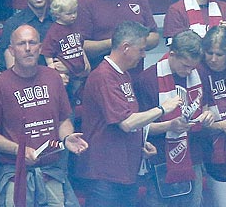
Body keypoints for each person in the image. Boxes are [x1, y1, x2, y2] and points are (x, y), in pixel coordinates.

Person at [0, 23, 88, 207]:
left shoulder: (53, 78)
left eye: (32, 43)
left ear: (40, 48)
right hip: (16, 175)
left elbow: (63, 120)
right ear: (12, 50)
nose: (28, 49)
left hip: (52, 172)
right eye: (22, 44)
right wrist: (18, 151)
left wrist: (67, 138)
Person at [74, 22, 172, 204]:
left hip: (125, 169)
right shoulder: (104, 76)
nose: (144, 54)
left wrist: (141, 143)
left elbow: (132, 119)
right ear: (126, 48)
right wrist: (162, 109)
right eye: (141, 50)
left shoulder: (123, 75)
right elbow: (126, 122)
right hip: (105, 175)